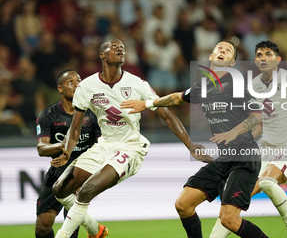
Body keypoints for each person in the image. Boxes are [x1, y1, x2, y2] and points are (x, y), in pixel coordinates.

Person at [50, 38, 205, 238]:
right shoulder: (86, 86)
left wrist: (190, 145)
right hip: (104, 145)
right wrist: (66, 152)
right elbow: (75, 127)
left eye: (122, 47)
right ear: (102, 55)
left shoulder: (137, 83)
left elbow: (166, 115)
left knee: (87, 190)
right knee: (60, 189)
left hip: (130, 148)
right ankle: (95, 230)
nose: (120, 49)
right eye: (114, 47)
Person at [121, 40, 269, 238]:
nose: (222, 51)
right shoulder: (204, 86)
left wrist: (235, 132)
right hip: (225, 159)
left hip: (245, 157)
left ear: (232, 63)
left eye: (228, 51)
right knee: (183, 204)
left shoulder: (237, 83)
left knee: (229, 219)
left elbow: (257, 115)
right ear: (211, 56)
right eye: (219, 48)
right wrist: (147, 103)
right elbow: (176, 98)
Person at [209, 41, 287, 238]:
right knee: (232, 203)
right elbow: (259, 124)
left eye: (268, 54)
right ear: (256, 60)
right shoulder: (253, 87)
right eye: (260, 55)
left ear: (278, 60)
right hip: (265, 147)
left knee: (267, 182)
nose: (263, 58)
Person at [35, 68, 101, 238]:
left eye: (79, 81)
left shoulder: (92, 114)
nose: (76, 84)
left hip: (79, 174)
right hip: (56, 173)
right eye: (70, 82)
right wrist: (63, 146)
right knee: (42, 226)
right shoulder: (47, 116)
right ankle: (96, 231)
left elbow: (103, 144)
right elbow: (42, 148)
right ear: (60, 89)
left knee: (71, 227)